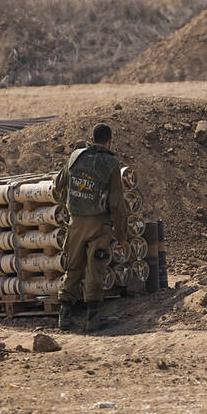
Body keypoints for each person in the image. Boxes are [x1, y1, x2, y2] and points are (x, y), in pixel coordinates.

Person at [56, 123, 129, 332]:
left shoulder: (75, 157)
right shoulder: (111, 164)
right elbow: (116, 204)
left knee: (73, 267)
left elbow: (58, 184)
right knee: (95, 268)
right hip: (99, 225)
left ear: (91, 137)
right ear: (109, 141)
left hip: (75, 222)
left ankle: (64, 316)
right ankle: (93, 319)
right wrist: (122, 236)